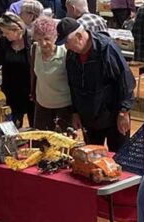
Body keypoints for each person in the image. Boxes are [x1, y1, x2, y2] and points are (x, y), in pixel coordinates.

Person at [57, 17, 135, 152]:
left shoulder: (107, 48)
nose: (66, 47)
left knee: (119, 157)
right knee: (91, 157)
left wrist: (124, 112)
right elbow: (73, 85)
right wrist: (75, 112)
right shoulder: (72, 54)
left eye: (67, 42)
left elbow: (126, 80)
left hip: (113, 115)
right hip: (89, 117)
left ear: (79, 36)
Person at [0, 13, 33, 127]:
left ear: (16, 29)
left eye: (6, 32)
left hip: (30, 92)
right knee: (10, 127)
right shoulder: (3, 42)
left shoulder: (32, 41)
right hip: (10, 91)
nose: (4, 35)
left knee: (35, 127)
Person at [30, 15, 73, 130]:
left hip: (64, 108)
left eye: (47, 39)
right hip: (41, 106)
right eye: (39, 39)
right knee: (39, 144)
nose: (43, 43)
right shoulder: (34, 49)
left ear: (55, 37)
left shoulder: (66, 52)